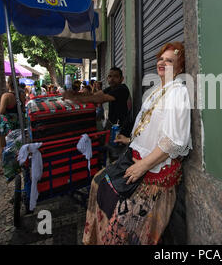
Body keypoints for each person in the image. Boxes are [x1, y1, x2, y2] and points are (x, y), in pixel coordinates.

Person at [82, 42, 192, 245]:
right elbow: (150, 127)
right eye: (161, 58)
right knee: (98, 184)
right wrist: (130, 140)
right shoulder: (157, 90)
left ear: (180, 67)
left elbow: (174, 141)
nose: (162, 63)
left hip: (153, 171)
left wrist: (143, 165)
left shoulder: (178, 92)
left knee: (122, 227)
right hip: (135, 159)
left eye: (170, 61)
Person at [0, 77, 26, 176]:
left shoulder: (6, 95)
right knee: (16, 145)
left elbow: (2, 111)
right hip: (18, 122)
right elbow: (23, 109)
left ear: (8, 83)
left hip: (6, 123)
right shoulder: (21, 95)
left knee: (2, 146)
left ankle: (5, 168)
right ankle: (19, 165)